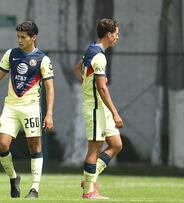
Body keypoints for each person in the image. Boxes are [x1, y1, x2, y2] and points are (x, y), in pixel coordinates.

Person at [0, 21, 54, 199]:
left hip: (31, 107)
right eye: (18, 36)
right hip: (10, 106)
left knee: (34, 147)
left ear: (34, 37)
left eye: (23, 37)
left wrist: (48, 114)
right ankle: (13, 177)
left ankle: (34, 188)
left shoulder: (43, 59)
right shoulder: (11, 54)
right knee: (1, 145)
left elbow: (50, 88)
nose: (19, 40)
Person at [74, 18, 123, 200]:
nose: (117, 37)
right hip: (95, 108)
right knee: (94, 149)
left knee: (116, 144)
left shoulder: (91, 50)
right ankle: (88, 191)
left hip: (100, 107)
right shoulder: (99, 56)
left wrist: (87, 82)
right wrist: (116, 112)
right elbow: (102, 88)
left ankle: (90, 179)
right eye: (116, 34)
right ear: (109, 35)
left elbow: (78, 69)